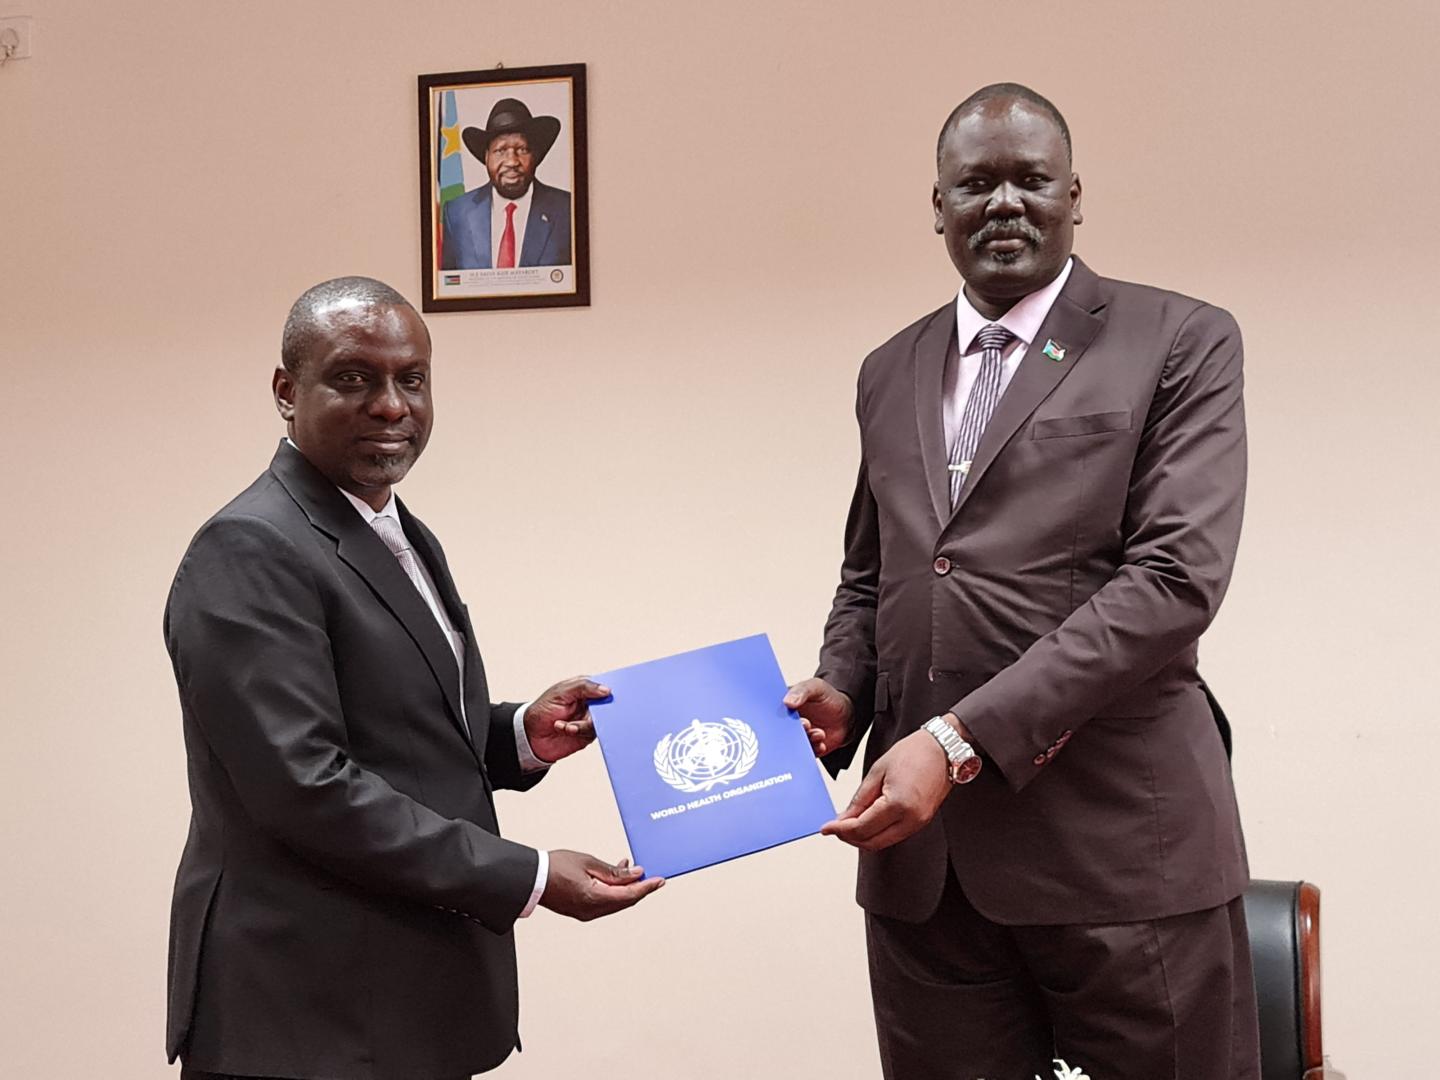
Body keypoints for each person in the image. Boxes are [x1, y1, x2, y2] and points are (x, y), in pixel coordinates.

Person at [785, 84, 1259, 1079]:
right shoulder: (888, 369)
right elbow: (875, 576)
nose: (1004, 203)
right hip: (925, 878)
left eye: (1031, 180)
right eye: (977, 183)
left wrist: (955, 742)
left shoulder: (1179, 339)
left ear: (1076, 196)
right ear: (938, 206)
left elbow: (1174, 581)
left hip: (1121, 853)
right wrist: (840, 689)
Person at [163, 276, 662, 1080]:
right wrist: (529, 876)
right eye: (354, 378)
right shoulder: (249, 549)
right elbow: (306, 787)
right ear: (288, 393)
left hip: (401, 1006)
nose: (392, 406)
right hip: (305, 1018)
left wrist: (516, 738)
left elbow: (393, 731)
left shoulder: (391, 525)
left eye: (412, 379)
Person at [441, 98, 573, 270]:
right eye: (501, 150)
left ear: (535, 156)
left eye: (522, 149)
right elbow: (447, 287)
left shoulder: (567, 209)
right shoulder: (456, 212)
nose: (511, 161)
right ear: (487, 156)